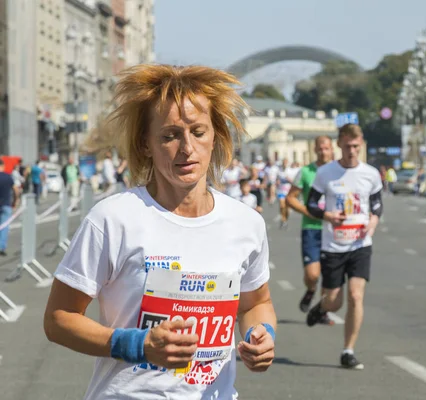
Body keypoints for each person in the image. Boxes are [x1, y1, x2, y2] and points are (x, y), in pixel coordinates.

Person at [43, 65, 276, 399]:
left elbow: (257, 301)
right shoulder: (113, 219)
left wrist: (261, 333)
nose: (186, 148)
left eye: (198, 131)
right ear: (146, 144)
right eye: (169, 135)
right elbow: (58, 318)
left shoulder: (246, 223)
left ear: (217, 136)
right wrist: (136, 345)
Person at [304, 124, 383, 370]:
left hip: (360, 244)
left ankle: (348, 350)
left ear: (361, 145)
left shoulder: (370, 174)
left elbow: (377, 203)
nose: (351, 151)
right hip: (334, 245)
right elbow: (311, 204)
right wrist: (327, 215)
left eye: (356, 146)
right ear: (340, 144)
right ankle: (321, 307)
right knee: (335, 302)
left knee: (356, 296)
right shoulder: (326, 173)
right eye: (347, 146)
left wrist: (373, 220)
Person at [286, 136, 334, 325]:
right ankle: (311, 290)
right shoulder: (305, 172)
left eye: (327, 148)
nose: (323, 151)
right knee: (313, 274)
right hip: (311, 229)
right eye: (320, 148)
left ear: (332, 149)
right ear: (315, 150)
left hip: (332, 230)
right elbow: (291, 198)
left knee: (329, 275)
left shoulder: (338, 171)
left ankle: (321, 311)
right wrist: (309, 212)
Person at [0, 159, 18, 256]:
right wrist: (15, 201)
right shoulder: (8, 177)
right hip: (6, 204)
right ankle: (1, 247)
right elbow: (15, 190)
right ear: (2, 166)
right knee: (4, 226)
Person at [275, 159, 295, 229]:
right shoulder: (279, 171)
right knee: (282, 205)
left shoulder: (291, 171)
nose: (284, 164)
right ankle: (283, 219)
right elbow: (276, 179)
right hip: (281, 191)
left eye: (286, 163)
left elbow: (295, 182)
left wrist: (289, 179)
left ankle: (285, 219)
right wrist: (277, 182)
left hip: (289, 191)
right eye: (283, 163)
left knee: (288, 208)